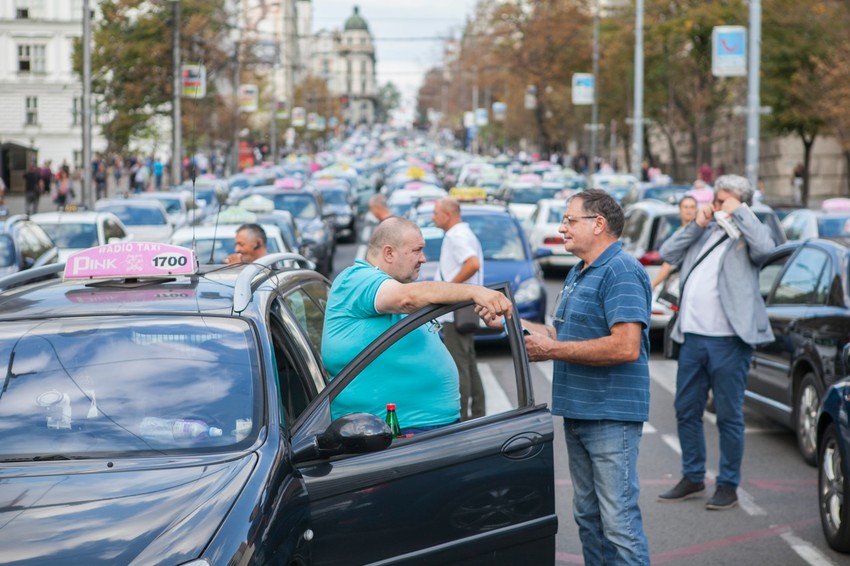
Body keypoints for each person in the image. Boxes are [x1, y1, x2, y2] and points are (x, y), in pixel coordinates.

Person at [485, 189, 651, 565]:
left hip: (610, 416)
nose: (561, 228)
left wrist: (551, 351)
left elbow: (625, 346)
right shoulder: (581, 271)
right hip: (580, 412)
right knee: (589, 519)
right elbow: (563, 335)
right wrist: (510, 320)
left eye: (569, 220)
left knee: (619, 524)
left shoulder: (621, 270)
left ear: (599, 224)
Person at [321, 217, 512, 435]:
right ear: (389, 253)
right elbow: (408, 299)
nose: (423, 258)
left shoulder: (391, 286)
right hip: (389, 432)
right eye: (417, 250)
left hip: (420, 428)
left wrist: (486, 308)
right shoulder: (357, 279)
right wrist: (474, 291)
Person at [657, 174, 775, 511]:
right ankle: (693, 475)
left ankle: (728, 485)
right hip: (693, 338)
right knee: (686, 410)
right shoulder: (703, 231)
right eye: (716, 199)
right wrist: (697, 222)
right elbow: (668, 252)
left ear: (739, 203)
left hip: (729, 342)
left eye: (722, 200)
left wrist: (740, 213)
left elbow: (767, 250)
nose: (715, 205)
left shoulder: (746, 236)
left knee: (728, 416)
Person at [433, 198, 485, 420]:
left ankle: (462, 419)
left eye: (436, 213)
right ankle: (479, 412)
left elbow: (472, 263)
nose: (433, 217)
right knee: (469, 362)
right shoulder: (465, 233)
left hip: (456, 312)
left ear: (448, 215)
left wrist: (449, 289)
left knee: (459, 367)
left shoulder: (456, 236)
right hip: (465, 308)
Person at [651, 195, 698, 289]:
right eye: (686, 207)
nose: (689, 210)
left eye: (692, 207)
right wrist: (652, 285)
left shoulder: (701, 233)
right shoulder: (678, 233)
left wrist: (653, 285)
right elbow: (667, 263)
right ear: (680, 209)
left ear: (697, 210)